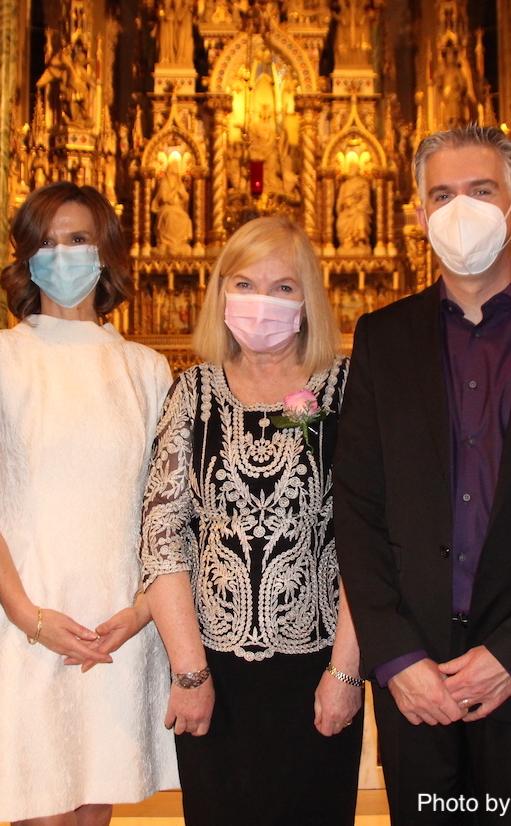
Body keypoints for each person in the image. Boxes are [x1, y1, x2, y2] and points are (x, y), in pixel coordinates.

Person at [333, 125, 511, 825]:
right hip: (413, 670)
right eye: (442, 194)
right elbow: (357, 509)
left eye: (481, 191)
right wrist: (395, 654)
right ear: (420, 216)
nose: (462, 209)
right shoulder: (381, 338)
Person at [0, 182, 177, 825]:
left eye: (78, 240)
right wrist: (28, 614)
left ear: (107, 256)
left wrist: (143, 610)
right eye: (47, 241)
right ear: (24, 258)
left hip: (115, 621)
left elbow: (169, 510)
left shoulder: (147, 369)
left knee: (93, 807)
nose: (62, 254)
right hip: (25, 611)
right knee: (34, 803)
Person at [140, 216, 363, 826]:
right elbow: (163, 538)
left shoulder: (344, 391)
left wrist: (346, 670)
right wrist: (189, 673)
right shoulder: (193, 392)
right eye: (244, 283)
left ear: (309, 299)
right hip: (212, 671)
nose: (262, 301)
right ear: (219, 294)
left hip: (319, 666)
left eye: (283, 287)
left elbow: (370, 545)